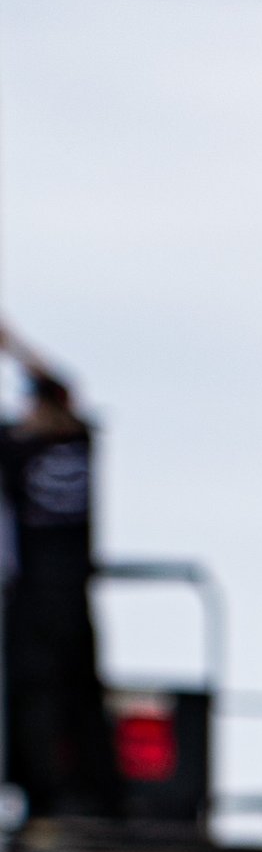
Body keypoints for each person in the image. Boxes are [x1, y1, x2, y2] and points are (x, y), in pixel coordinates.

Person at [0, 341, 117, 824]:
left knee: (50, 696)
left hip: (44, 598)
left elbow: (61, 386)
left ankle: (66, 799)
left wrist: (12, 343)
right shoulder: (74, 440)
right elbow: (60, 388)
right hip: (62, 595)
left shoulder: (39, 445)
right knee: (66, 695)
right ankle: (80, 797)